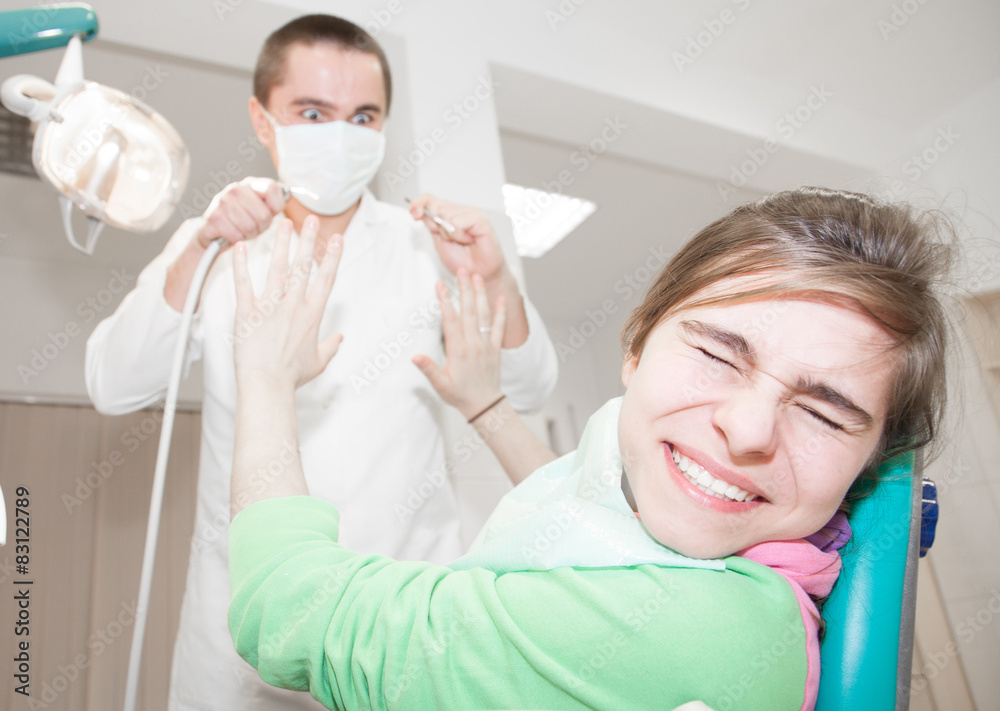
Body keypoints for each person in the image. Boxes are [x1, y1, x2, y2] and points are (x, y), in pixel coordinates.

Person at [225, 187, 952, 710]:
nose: (750, 430)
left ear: (869, 462)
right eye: (720, 356)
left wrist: (263, 376)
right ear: (636, 346)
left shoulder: (692, 629)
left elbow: (293, 610)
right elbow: (585, 518)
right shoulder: (722, 536)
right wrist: (485, 404)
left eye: (825, 413)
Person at [84, 14, 558, 710]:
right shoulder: (216, 244)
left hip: (403, 624)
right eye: (313, 112)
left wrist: (494, 280)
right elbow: (113, 383)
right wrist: (198, 243)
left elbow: (530, 384)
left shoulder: (424, 245)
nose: (340, 135)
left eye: (363, 117)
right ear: (262, 119)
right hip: (241, 642)